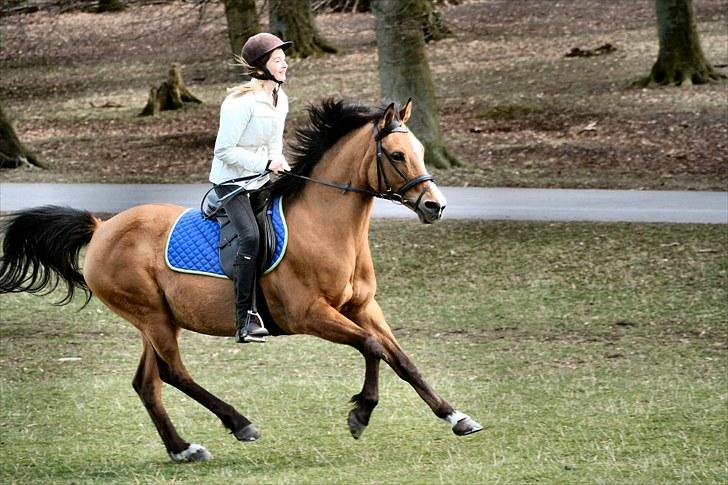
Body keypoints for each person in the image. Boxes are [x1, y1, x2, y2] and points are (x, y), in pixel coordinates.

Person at [209, 33, 292, 343]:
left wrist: (278, 160)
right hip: (230, 184)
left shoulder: (279, 98)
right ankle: (244, 319)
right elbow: (224, 151)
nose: (285, 65)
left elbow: (274, 142)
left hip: (259, 181)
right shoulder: (239, 102)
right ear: (261, 67)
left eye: (284, 59)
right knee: (250, 236)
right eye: (278, 60)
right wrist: (264, 165)